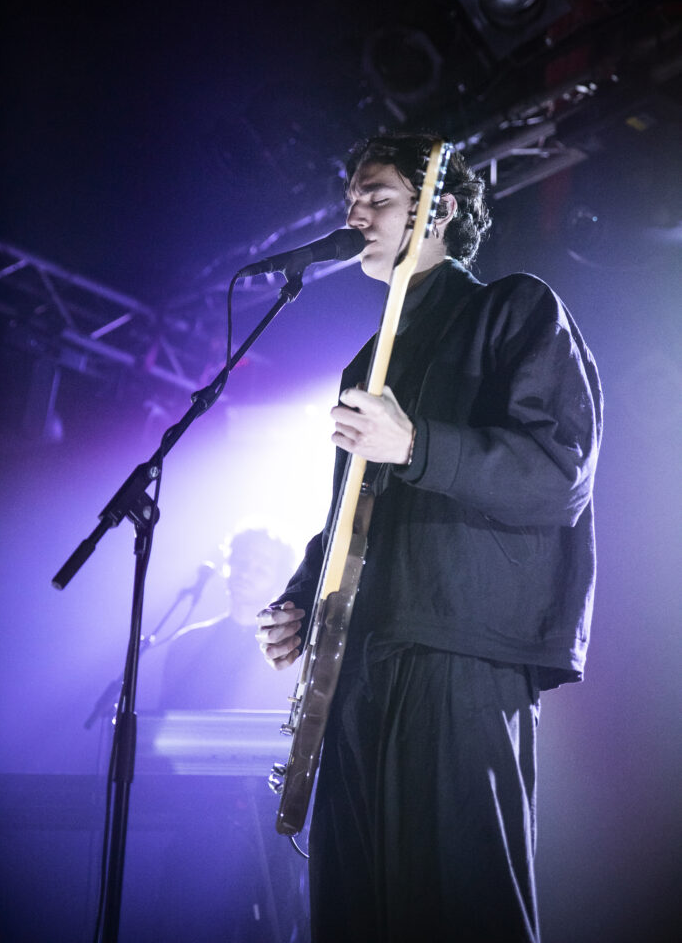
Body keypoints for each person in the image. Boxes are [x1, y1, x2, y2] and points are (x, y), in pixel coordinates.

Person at [255, 133, 603, 942]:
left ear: (437, 208)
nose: (354, 213)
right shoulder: (365, 363)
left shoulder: (512, 309)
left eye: (376, 197)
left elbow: (558, 474)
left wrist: (413, 443)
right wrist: (302, 597)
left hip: (458, 648)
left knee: (460, 906)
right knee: (353, 909)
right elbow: (352, 510)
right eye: (350, 199)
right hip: (358, 659)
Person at [160, 526, 295, 710]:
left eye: (261, 569)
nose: (246, 574)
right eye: (241, 563)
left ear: (279, 582)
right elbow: (168, 715)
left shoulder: (286, 651)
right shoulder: (187, 642)